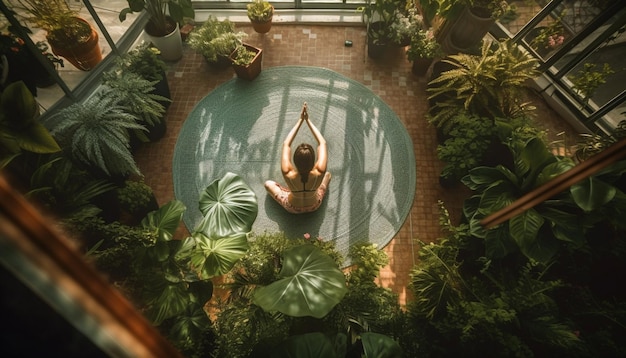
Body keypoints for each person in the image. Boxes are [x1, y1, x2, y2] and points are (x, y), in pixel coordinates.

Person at [265, 102, 331, 214]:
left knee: (268, 184)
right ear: (313, 161)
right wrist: (308, 120)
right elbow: (322, 143)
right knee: (328, 174)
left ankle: (286, 190)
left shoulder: (288, 172)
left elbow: (286, 144)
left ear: (294, 161)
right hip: (314, 205)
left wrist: (300, 120)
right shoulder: (320, 170)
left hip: (293, 208)